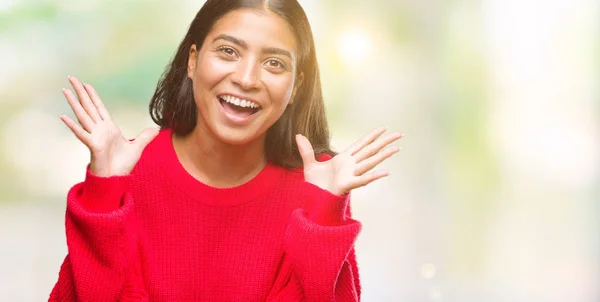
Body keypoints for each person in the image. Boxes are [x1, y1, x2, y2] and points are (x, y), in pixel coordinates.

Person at [49, 0, 402, 301]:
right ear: (193, 60)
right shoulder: (126, 173)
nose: (247, 79)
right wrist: (103, 193)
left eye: (274, 63)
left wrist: (323, 215)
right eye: (228, 51)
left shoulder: (317, 188)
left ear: (295, 88)